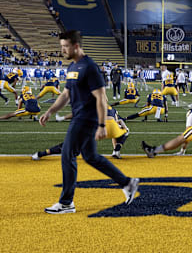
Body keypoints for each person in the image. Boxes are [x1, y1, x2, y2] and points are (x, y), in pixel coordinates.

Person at [39, 30, 139, 214]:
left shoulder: (89, 67)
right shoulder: (72, 67)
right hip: (79, 117)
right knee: (91, 157)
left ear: (76, 46)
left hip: (86, 119)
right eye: (61, 47)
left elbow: (101, 98)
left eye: (65, 46)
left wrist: (101, 125)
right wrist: (50, 111)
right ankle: (127, 183)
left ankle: (66, 202)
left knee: (67, 155)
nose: (62, 50)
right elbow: (66, 94)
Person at [33, 107, 130, 160]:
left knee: (71, 145)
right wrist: (124, 129)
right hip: (113, 127)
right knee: (125, 132)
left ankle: (41, 154)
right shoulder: (112, 109)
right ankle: (116, 151)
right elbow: (120, 121)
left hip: (96, 127)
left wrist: (63, 118)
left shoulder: (94, 104)